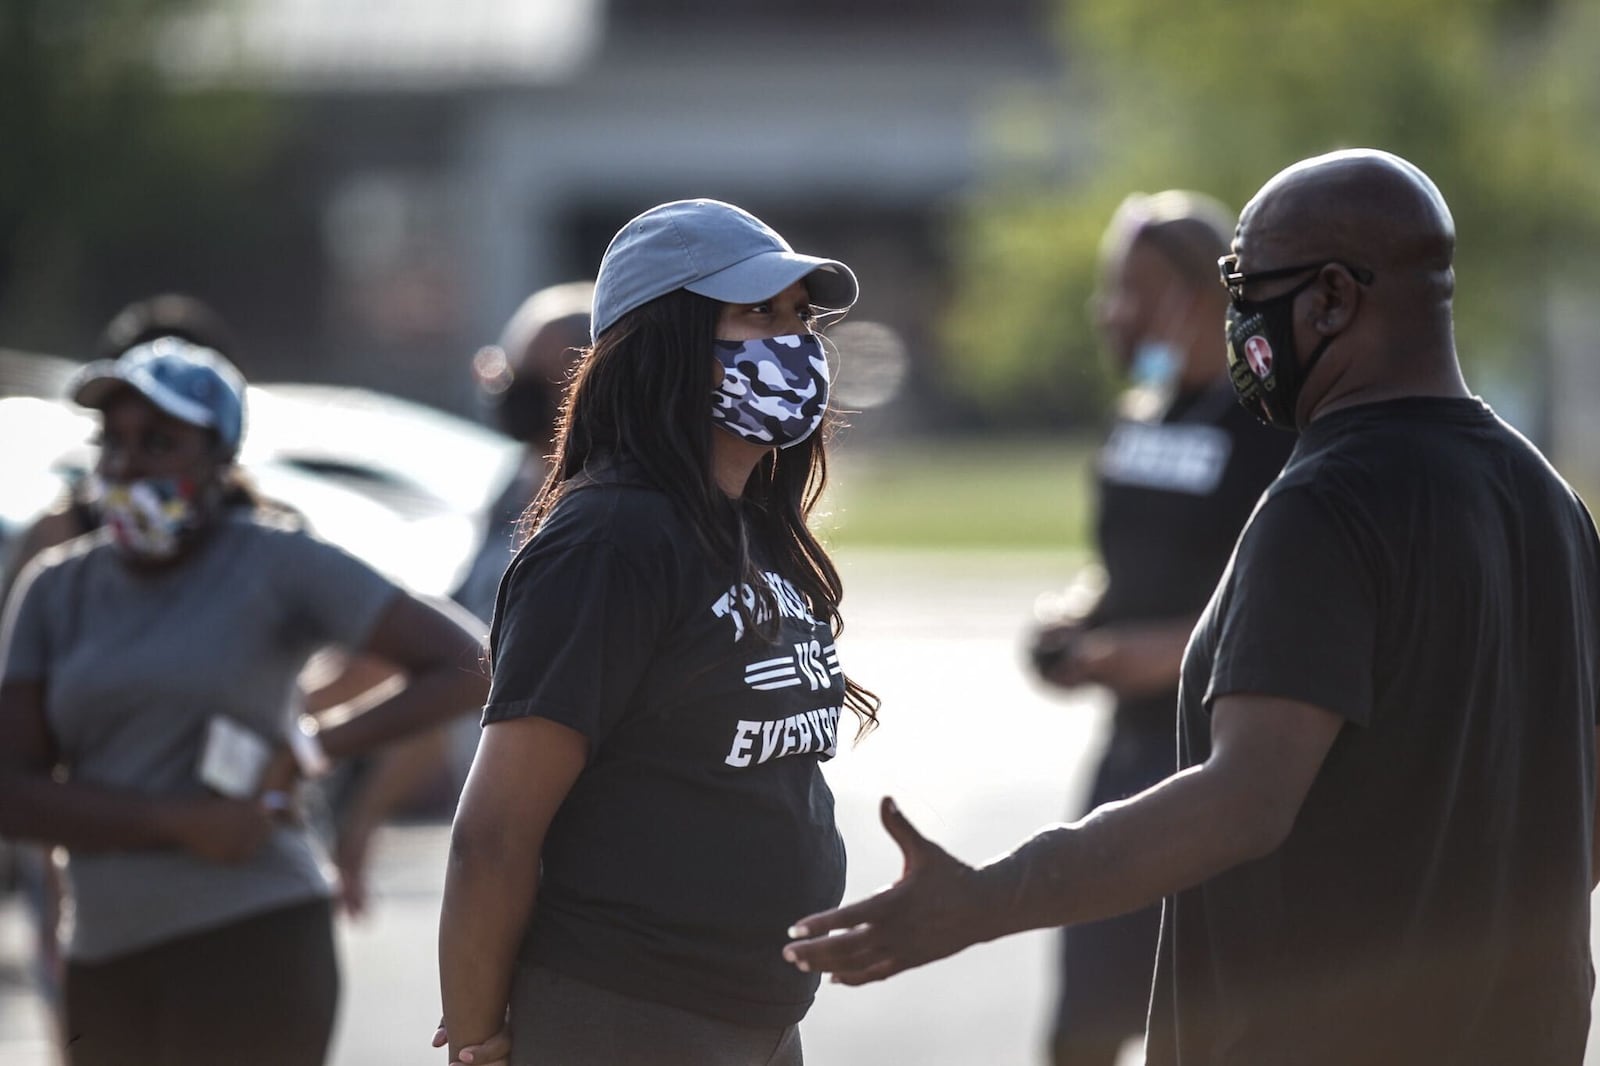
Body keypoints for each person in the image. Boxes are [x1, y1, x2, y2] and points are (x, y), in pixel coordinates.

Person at [784, 149, 1600, 1066]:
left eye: (1248, 289)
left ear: (1331, 299)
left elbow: (1243, 800)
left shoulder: (1325, 504)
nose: (1234, 321)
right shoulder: (1550, 501)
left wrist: (986, 897)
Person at [438, 199, 879, 1066]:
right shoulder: (607, 540)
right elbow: (494, 833)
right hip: (627, 1014)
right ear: (666, 341)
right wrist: (481, 1032)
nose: (794, 342)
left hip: (753, 1016)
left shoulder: (750, 525)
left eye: (799, 317)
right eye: (756, 314)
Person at [0, 337, 491, 1066]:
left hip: (255, 935)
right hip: (104, 953)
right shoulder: (53, 587)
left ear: (219, 459)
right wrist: (180, 821)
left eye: (159, 441)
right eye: (113, 440)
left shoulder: (273, 561)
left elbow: (470, 663)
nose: (126, 463)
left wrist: (312, 746)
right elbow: (14, 794)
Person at [1029, 191, 1294, 1066]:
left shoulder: (1268, 429)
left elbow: (1286, 600)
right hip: (1131, 757)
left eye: (1133, 289)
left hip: (1225, 762)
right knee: (1085, 1023)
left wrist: (1157, 656)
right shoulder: (1142, 407)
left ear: (1202, 295)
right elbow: (1126, 561)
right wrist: (1076, 615)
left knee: (1213, 1028)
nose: (1112, 311)